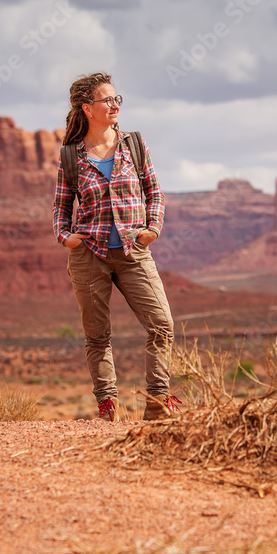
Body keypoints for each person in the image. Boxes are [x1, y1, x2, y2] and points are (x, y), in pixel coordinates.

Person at [52, 72, 181, 422]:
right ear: (87, 108)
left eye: (116, 99)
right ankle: (108, 406)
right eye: (107, 100)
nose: (114, 105)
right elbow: (60, 208)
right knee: (97, 336)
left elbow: (155, 192)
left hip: (134, 252)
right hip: (89, 256)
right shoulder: (71, 157)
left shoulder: (134, 145)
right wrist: (66, 237)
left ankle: (157, 403)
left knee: (161, 325)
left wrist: (153, 227)